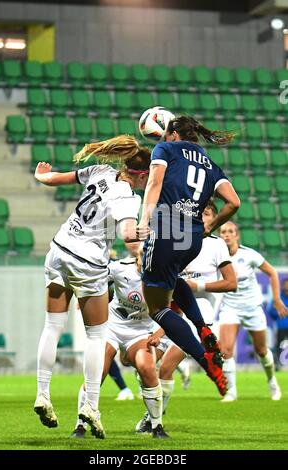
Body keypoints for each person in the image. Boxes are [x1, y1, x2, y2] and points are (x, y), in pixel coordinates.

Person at [33, 136, 151, 439]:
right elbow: (128, 235)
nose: (147, 182)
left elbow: (53, 178)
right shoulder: (128, 197)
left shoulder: (99, 171)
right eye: (147, 176)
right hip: (87, 262)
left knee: (52, 326)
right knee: (97, 336)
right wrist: (141, 245)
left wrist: (40, 175)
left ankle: (43, 394)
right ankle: (91, 407)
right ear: (140, 174)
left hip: (59, 249)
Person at [137, 116, 240, 396]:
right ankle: (202, 327)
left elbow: (155, 184)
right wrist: (210, 226)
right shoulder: (209, 162)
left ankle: (204, 360)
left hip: (167, 230)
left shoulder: (166, 150)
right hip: (193, 238)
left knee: (157, 308)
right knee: (173, 280)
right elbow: (234, 202)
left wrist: (144, 220)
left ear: (171, 133)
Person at [136, 199, 237, 431]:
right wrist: (161, 329)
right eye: (200, 213)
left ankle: (153, 420)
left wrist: (198, 286)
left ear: (214, 219)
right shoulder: (183, 241)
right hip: (175, 313)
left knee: (166, 368)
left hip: (201, 313)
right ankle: (154, 414)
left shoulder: (216, 245)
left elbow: (231, 283)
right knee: (145, 365)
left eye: (208, 214)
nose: (203, 217)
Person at [73, 247, 170, 439]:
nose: (146, 260)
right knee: (98, 369)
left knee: (147, 367)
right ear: (138, 256)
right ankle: (80, 425)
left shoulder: (166, 275)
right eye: (143, 255)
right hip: (113, 325)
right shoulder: (119, 268)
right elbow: (93, 280)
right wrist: (84, 297)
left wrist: (158, 333)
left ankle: (156, 426)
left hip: (142, 330)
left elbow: (174, 312)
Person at [218, 221, 288, 402]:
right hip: (230, 307)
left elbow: (272, 272)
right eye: (223, 231)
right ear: (219, 235)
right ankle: (231, 391)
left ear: (237, 235)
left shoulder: (248, 255)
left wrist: (277, 299)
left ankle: (272, 381)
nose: (226, 234)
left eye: (230, 231)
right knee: (225, 350)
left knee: (262, 350)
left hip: (252, 308)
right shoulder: (216, 256)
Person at [267, 278, 288, 369]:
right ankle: (277, 364)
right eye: (285, 287)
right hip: (281, 326)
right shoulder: (278, 298)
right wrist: (279, 313)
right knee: (279, 345)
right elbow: (271, 310)